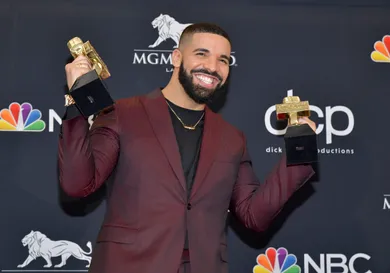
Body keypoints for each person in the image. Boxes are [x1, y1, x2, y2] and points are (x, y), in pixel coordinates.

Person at [58, 22, 316, 273]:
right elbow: (78, 184)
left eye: (223, 60)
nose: (213, 67)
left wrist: (300, 149)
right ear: (177, 57)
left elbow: (254, 216)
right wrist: (79, 98)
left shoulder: (232, 138)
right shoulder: (122, 114)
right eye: (202, 54)